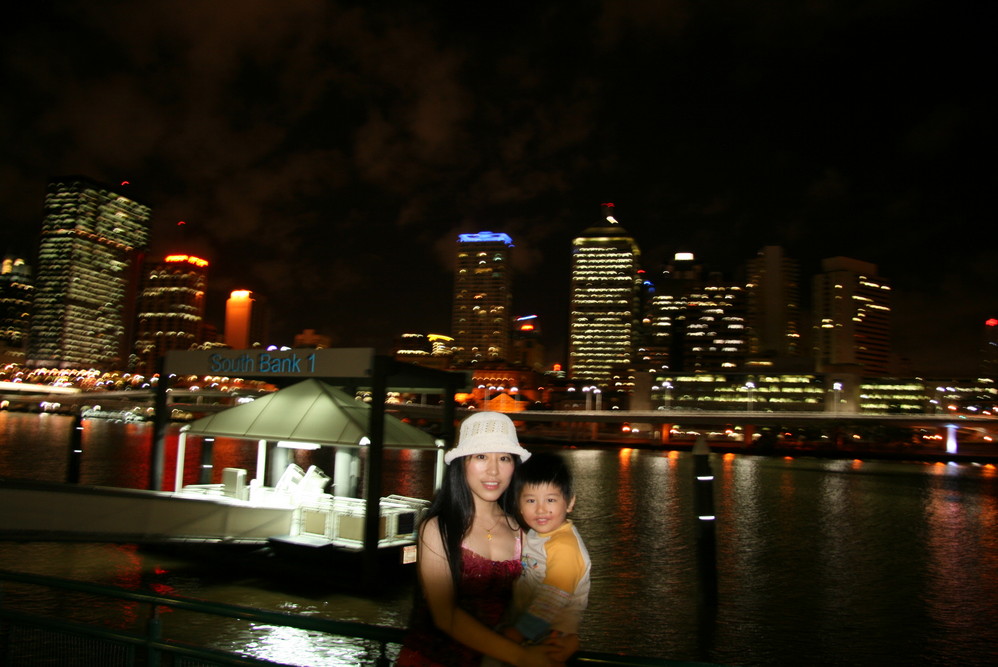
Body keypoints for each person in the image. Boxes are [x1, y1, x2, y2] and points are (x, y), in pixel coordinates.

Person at [396, 411, 558, 667]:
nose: (494, 470)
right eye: (481, 456)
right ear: (462, 464)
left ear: (514, 466)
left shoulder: (523, 533)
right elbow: (445, 616)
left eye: (504, 458)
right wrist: (521, 656)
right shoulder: (438, 528)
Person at [497, 452, 590, 666]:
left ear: (570, 502)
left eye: (550, 500)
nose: (540, 509)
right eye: (531, 500)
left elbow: (553, 596)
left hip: (548, 637)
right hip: (533, 633)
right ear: (519, 505)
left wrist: (517, 633)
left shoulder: (564, 545)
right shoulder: (537, 535)